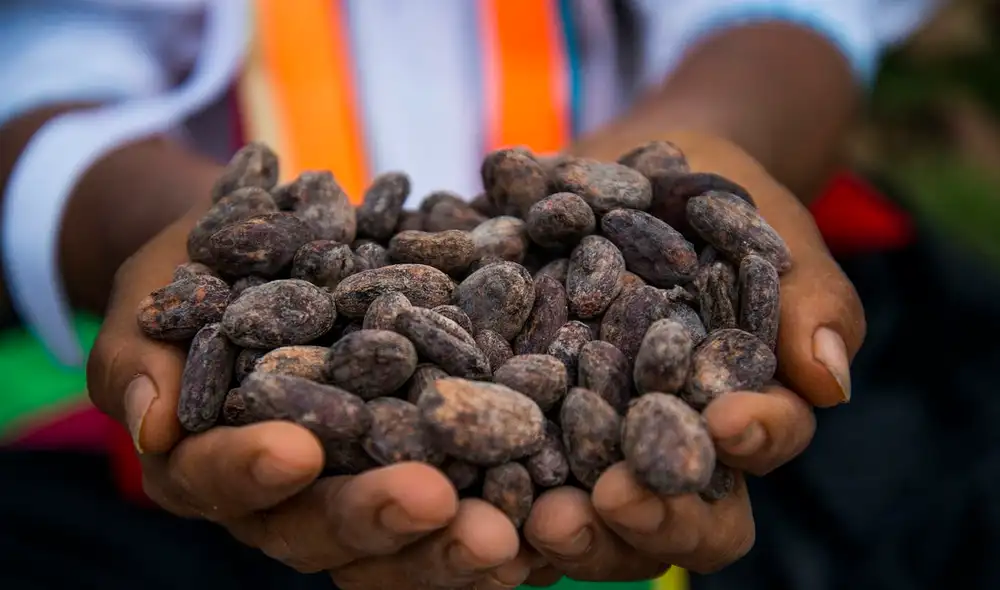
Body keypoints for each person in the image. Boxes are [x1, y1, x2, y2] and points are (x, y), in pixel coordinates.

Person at [0, 1, 945, 589]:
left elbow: (788, 13)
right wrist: (150, 222)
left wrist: (699, 140)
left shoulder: (598, 291)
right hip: (141, 506)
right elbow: (42, 56)